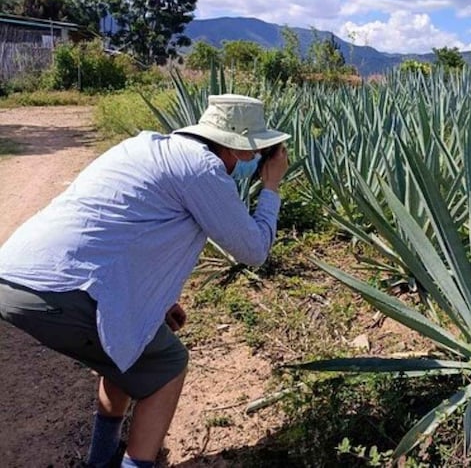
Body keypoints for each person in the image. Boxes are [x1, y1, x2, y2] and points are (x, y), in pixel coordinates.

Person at [0, 94, 290, 467]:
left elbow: (120, 231)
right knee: (168, 364)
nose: (253, 161)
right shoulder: (201, 169)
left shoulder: (142, 147)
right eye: (253, 153)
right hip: (61, 290)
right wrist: (271, 187)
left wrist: (157, 301)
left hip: (14, 275)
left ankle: (101, 459)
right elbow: (254, 250)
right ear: (235, 148)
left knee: (130, 346)